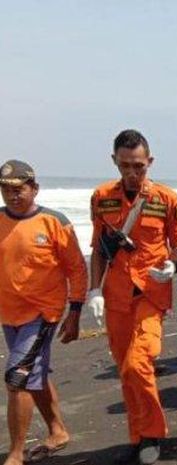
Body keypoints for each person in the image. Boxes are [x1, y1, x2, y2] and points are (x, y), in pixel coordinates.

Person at [86, 129, 177, 465]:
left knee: (139, 362)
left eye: (139, 166)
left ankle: (153, 432)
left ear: (150, 162)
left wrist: (172, 265)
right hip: (115, 293)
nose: (132, 173)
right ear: (114, 161)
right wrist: (95, 289)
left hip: (151, 292)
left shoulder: (167, 198)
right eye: (125, 165)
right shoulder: (101, 196)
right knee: (124, 369)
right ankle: (138, 435)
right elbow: (98, 248)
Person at [0, 160, 87, 465]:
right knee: (32, 375)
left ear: (34, 188)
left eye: (19, 189)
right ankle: (57, 430)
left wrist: (75, 311)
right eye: (6, 189)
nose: (12, 195)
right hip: (8, 314)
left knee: (17, 378)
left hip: (42, 313)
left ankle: (15, 453)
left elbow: (76, 268)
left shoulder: (54, 222)